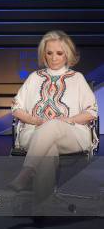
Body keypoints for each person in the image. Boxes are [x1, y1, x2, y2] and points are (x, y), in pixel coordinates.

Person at [9, 30, 98, 198]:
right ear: (44, 54)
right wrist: (34, 120)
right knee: (49, 149)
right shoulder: (34, 77)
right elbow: (16, 108)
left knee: (54, 124)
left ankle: (25, 174)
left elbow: (91, 112)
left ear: (67, 55)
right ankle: (42, 206)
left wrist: (68, 120)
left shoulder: (77, 78)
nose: (54, 57)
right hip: (33, 133)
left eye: (59, 53)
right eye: (49, 53)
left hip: (71, 133)